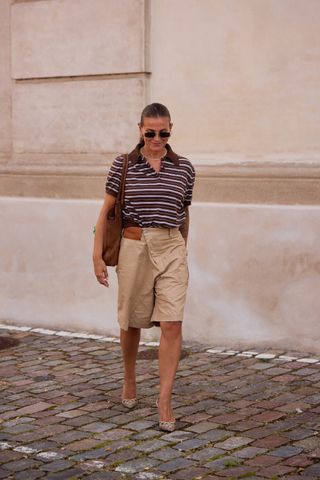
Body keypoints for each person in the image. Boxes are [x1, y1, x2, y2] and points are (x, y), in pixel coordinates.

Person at [93, 103, 195, 431]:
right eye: (150, 132)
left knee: (172, 324)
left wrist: (182, 247)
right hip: (133, 247)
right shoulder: (123, 165)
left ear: (171, 130)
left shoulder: (185, 168)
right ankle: (129, 377)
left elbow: (184, 211)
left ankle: (164, 399)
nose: (156, 138)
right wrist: (97, 256)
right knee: (131, 322)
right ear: (140, 129)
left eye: (163, 132)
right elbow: (105, 212)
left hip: (171, 248)